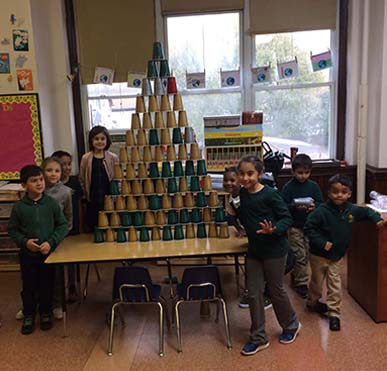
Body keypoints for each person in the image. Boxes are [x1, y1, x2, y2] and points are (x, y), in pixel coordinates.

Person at [237, 156, 301, 356]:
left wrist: (273, 230)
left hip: (274, 250)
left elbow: (286, 218)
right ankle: (258, 337)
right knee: (254, 293)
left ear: (260, 174)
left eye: (250, 173)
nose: (245, 178)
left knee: (275, 290)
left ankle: (291, 325)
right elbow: (244, 215)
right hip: (255, 252)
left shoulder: (271, 195)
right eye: (242, 174)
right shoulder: (242, 194)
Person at [304, 174, 385, 331]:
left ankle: (334, 314)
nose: (339, 195)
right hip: (319, 256)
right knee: (317, 283)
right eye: (335, 191)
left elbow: (366, 212)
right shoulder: (321, 211)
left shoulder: (351, 210)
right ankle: (312, 301)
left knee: (335, 285)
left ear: (349, 193)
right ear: (328, 192)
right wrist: (321, 242)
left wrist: (377, 218)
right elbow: (308, 228)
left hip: (336, 256)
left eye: (343, 192)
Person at [8, 165, 68, 335]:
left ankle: (45, 313)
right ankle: (29, 314)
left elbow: (62, 225)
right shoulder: (19, 207)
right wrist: (25, 242)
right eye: (34, 181)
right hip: (27, 255)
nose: (39, 183)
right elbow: (13, 229)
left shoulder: (51, 203)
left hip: (46, 254)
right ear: (24, 185)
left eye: (41, 179)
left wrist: (51, 242)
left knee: (46, 284)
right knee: (28, 286)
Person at [223, 166, 272, 310]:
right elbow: (232, 217)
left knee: (265, 267)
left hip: (264, 233)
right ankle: (252, 293)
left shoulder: (249, 195)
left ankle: (265, 296)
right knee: (252, 265)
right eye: (226, 180)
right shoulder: (231, 199)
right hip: (251, 234)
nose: (229, 183)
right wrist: (240, 229)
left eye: (232, 180)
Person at [281, 154, 323, 299]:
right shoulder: (288, 187)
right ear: (293, 172)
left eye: (306, 173)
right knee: (299, 254)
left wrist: (314, 207)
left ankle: (296, 275)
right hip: (294, 227)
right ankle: (301, 283)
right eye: (299, 172)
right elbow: (282, 206)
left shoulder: (314, 186)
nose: (303, 176)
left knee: (307, 254)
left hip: (310, 227)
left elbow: (321, 204)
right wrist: (293, 205)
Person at [42, 156, 73, 319]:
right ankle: (36, 305)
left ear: (62, 173)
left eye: (57, 171)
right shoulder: (36, 189)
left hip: (56, 240)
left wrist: (56, 238)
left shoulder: (66, 192)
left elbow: (68, 220)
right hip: (37, 240)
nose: (53, 174)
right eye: (49, 170)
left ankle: (57, 304)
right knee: (36, 274)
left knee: (57, 275)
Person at [52, 150, 83, 303]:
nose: (67, 167)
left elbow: (79, 204)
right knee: (58, 260)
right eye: (63, 164)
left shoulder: (74, 181)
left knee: (72, 259)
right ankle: (58, 290)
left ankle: (72, 286)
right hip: (56, 228)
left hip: (73, 227)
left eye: (69, 164)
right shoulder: (50, 186)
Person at [79, 125, 119, 231]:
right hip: (93, 195)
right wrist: (85, 194)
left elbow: (117, 177)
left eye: (102, 139)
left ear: (107, 140)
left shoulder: (113, 157)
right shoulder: (86, 158)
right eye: (96, 139)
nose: (99, 141)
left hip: (108, 194)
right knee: (95, 223)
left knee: (110, 222)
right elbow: (82, 178)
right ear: (91, 141)